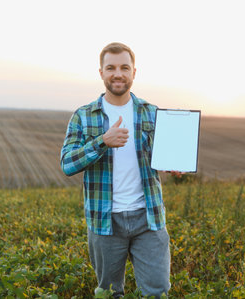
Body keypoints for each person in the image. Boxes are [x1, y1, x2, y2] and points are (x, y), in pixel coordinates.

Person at [60, 42, 170, 298]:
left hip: (149, 219)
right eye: (111, 68)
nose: (117, 74)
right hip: (105, 221)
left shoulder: (152, 113)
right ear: (101, 72)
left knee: (157, 292)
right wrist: (101, 142)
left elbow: (163, 157)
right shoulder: (83, 116)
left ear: (134, 72)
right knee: (109, 294)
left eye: (124, 67)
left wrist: (173, 165)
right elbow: (67, 164)